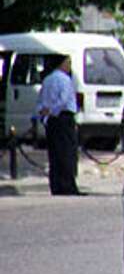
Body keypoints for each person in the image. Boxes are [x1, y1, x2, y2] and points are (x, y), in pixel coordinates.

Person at [34, 56, 82, 196]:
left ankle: (56, 185)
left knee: (55, 154)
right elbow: (64, 99)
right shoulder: (64, 79)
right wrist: (53, 110)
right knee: (67, 152)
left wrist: (45, 113)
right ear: (61, 64)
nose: (69, 66)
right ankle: (67, 186)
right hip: (63, 117)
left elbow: (41, 101)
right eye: (68, 63)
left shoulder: (47, 79)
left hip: (52, 120)